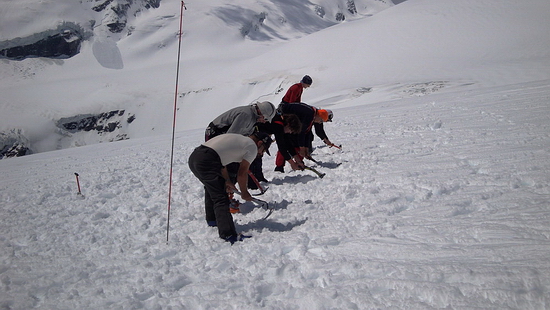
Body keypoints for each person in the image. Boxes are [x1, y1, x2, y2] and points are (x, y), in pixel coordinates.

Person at [188, 132, 273, 244]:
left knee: (212, 189)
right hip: (208, 160)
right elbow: (242, 173)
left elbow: (222, 163)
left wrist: (227, 181)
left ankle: (213, 220)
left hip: (196, 157)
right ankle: (228, 234)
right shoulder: (251, 147)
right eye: (263, 150)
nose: (261, 154)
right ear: (260, 143)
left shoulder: (240, 141)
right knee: (221, 198)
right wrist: (244, 192)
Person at [274, 102, 336, 172]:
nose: (319, 123)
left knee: (296, 142)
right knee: (285, 142)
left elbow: (307, 132)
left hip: (290, 122)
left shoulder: (312, 114)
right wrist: (302, 149)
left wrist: (306, 149)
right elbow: (302, 132)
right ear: (319, 116)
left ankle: (298, 162)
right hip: (282, 120)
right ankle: (280, 166)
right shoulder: (309, 114)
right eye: (321, 121)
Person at [205, 101, 276, 141]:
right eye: (265, 119)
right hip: (215, 134)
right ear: (261, 112)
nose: (264, 122)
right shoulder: (246, 115)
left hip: (222, 136)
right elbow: (231, 136)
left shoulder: (254, 119)